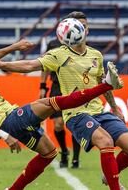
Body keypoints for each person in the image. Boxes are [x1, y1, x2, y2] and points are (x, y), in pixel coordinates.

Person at [0, 11, 128, 190]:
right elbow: (30, 65)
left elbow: (102, 83)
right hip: (76, 113)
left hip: (98, 111)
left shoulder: (96, 55)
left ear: (87, 29)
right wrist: (5, 65)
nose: (81, 28)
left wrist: (115, 108)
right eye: (78, 25)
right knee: (105, 142)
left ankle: (109, 176)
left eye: (84, 25)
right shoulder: (58, 54)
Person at [0, 37, 123, 190]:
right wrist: (5, 136)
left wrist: (14, 47)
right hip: (7, 121)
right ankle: (107, 85)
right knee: (52, 102)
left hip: (10, 117)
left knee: (49, 153)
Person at [40, 38, 81, 168]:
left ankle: (76, 158)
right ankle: (64, 151)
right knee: (58, 124)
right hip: (57, 86)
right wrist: (42, 85)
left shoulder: (80, 43)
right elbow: (45, 65)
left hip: (75, 87)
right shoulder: (53, 44)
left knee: (75, 122)